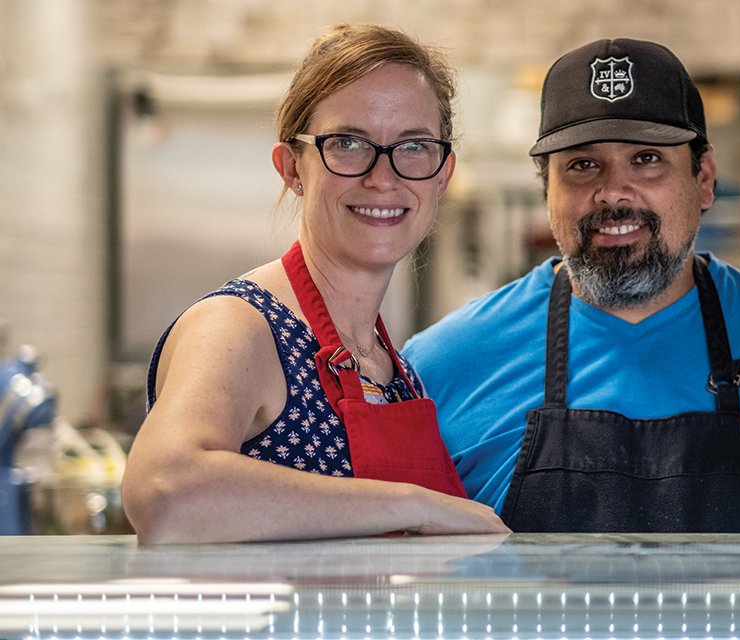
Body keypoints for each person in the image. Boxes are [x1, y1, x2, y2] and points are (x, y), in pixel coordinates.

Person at [402, 38, 740, 534]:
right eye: (581, 164)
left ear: (703, 178)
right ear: (546, 189)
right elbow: (398, 583)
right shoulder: (441, 367)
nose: (613, 191)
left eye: (646, 159)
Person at [121, 24, 509, 543]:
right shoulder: (239, 326)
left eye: (413, 146)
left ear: (442, 176)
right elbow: (166, 492)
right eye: (347, 143)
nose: (383, 177)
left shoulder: (392, 371)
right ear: (291, 167)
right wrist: (412, 504)